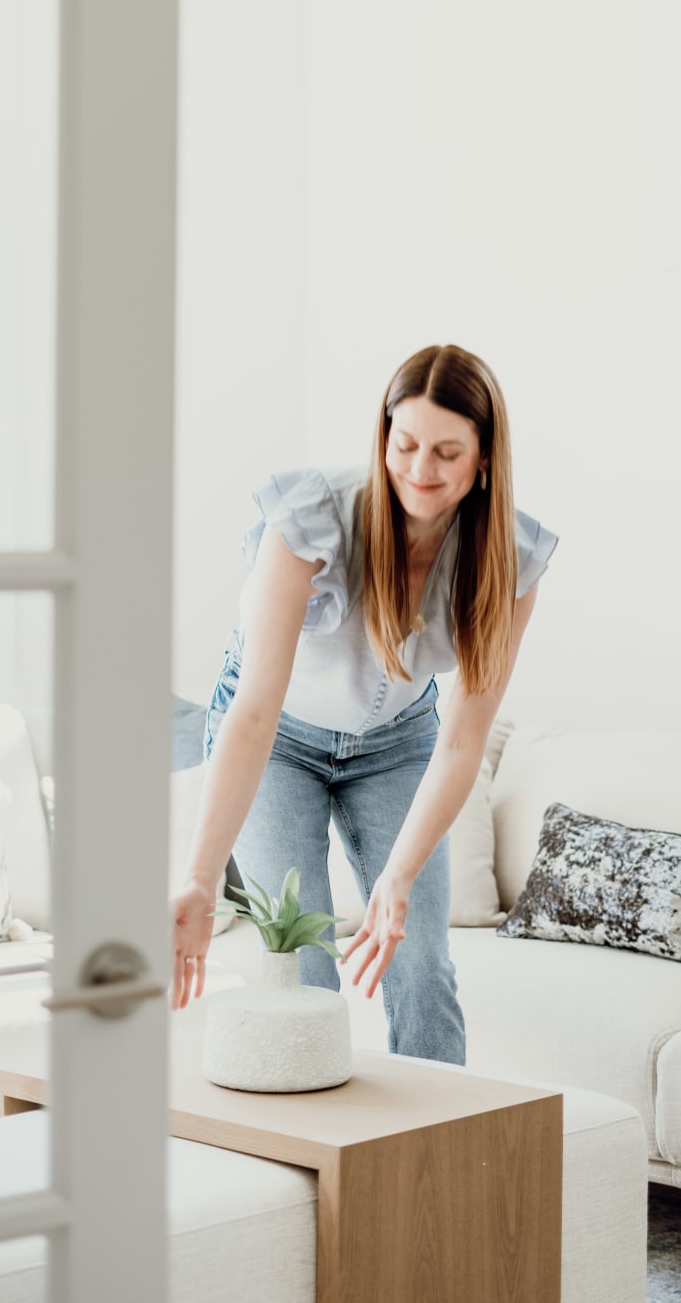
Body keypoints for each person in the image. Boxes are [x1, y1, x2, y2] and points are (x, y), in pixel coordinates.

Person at [170, 344, 557, 1065]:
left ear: (483, 460)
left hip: (401, 742)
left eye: (446, 452)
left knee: (421, 964)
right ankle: (315, 1169)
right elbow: (253, 715)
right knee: (302, 962)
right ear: (383, 436)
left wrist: (398, 877)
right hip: (278, 735)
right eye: (404, 444)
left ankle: (435, 1167)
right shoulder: (312, 519)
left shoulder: (510, 560)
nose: (418, 470)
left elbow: (463, 742)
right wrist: (198, 876)